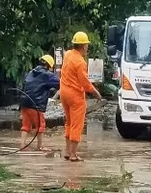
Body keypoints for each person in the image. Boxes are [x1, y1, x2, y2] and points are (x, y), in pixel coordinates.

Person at [60, 32, 102, 162]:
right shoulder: (80, 62)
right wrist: (96, 92)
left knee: (68, 122)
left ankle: (67, 152)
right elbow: (85, 83)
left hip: (63, 92)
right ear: (83, 46)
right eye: (87, 45)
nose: (87, 47)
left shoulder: (67, 55)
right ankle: (73, 154)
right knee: (76, 125)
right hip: (75, 95)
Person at [19, 55, 60, 152]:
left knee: (26, 125)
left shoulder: (30, 72)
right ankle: (39, 146)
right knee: (40, 126)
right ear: (49, 66)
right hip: (36, 104)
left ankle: (22, 145)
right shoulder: (47, 75)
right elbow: (59, 83)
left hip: (24, 102)